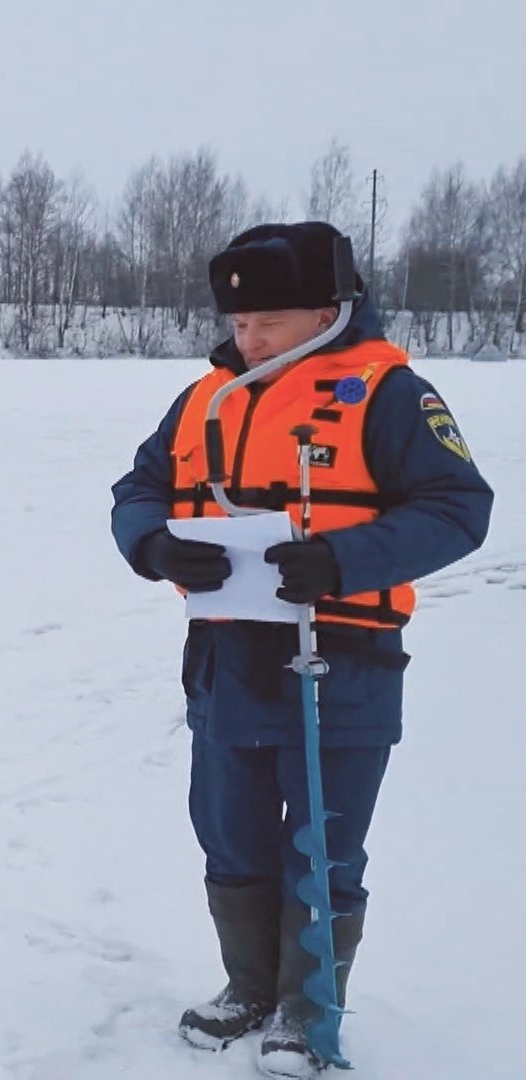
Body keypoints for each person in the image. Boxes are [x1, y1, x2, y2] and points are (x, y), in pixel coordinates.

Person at [110, 222, 493, 1077]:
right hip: (224, 658)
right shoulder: (205, 396)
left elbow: (459, 508)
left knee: (322, 844)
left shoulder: (391, 396)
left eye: (269, 324)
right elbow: (136, 489)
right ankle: (247, 985)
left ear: (329, 310)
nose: (248, 339)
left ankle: (307, 1009)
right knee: (230, 834)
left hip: (341, 661)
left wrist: (342, 561)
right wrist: (155, 547)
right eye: (240, 325)